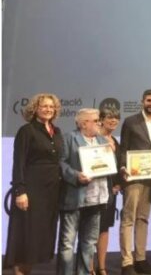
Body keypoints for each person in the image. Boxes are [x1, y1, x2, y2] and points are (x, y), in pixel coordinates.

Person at [5, 93, 64, 275]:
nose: (48, 109)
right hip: (32, 191)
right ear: (35, 109)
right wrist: (20, 190)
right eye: (44, 106)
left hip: (52, 192)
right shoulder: (27, 131)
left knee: (39, 240)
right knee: (26, 237)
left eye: (51, 107)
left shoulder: (57, 131)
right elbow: (19, 163)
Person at [119, 89, 151, 275]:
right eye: (149, 100)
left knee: (143, 218)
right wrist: (123, 167)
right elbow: (123, 148)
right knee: (128, 219)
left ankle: (140, 259)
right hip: (133, 177)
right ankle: (127, 262)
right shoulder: (130, 121)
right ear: (142, 101)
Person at [57, 108, 110, 275]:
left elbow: (109, 165)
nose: (100, 123)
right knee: (67, 244)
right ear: (83, 123)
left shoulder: (102, 140)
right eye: (96, 120)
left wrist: (112, 158)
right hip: (75, 197)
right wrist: (76, 176)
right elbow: (61, 163)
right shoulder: (69, 138)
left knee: (89, 243)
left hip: (97, 199)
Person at [93, 108, 122, 275]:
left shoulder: (115, 141)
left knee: (104, 229)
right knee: (91, 230)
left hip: (110, 192)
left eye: (116, 118)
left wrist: (118, 184)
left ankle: (102, 267)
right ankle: (89, 267)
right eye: (110, 117)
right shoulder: (93, 139)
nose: (113, 121)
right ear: (101, 120)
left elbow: (117, 166)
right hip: (93, 191)